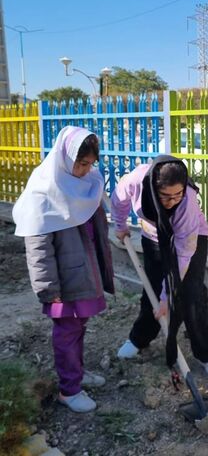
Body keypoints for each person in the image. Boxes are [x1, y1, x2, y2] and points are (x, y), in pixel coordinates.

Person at [12, 126, 114, 413]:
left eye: (91, 163)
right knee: (67, 331)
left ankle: (77, 373)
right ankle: (69, 390)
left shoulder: (87, 182)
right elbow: (38, 249)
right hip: (62, 284)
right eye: (81, 164)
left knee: (80, 327)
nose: (86, 170)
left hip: (84, 273)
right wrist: (48, 289)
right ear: (65, 159)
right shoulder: (42, 193)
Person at [112, 155, 208, 377]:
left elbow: (183, 255)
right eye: (165, 196)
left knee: (191, 294)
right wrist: (120, 225)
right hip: (153, 237)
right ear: (154, 188)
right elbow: (118, 200)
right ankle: (139, 339)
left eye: (177, 195)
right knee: (151, 293)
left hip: (189, 240)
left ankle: (206, 352)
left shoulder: (187, 203)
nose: (172, 201)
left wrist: (167, 298)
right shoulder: (135, 181)